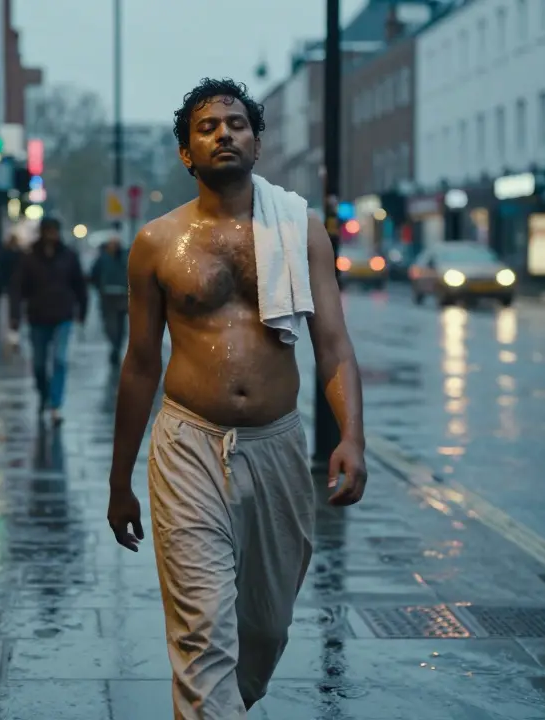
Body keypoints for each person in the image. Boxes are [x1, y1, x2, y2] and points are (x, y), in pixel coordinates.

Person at [104, 78, 368, 718]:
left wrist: (352, 437)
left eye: (237, 123)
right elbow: (140, 364)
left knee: (264, 628)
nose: (225, 132)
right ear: (186, 153)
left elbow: (333, 346)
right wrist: (119, 481)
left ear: (257, 143)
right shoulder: (156, 243)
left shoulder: (300, 230)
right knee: (203, 632)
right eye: (207, 126)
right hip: (189, 445)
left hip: (277, 445)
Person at [9, 216, 88, 424]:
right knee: (38, 363)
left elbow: (79, 284)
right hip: (38, 317)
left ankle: (55, 404)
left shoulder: (68, 256)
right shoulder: (29, 258)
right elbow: (17, 288)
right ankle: (43, 395)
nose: (52, 235)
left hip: (63, 316)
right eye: (48, 231)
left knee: (60, 359)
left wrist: (82, 310)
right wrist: (15, 316)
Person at [89, 232, 130, 365]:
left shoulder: (125, 258)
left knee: (120, 326)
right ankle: (114, 346)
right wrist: (100, 287)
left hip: (122, 297)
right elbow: (94, 275)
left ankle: (116, 347)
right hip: (107, 298)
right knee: (110, 326)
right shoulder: (102, 259)